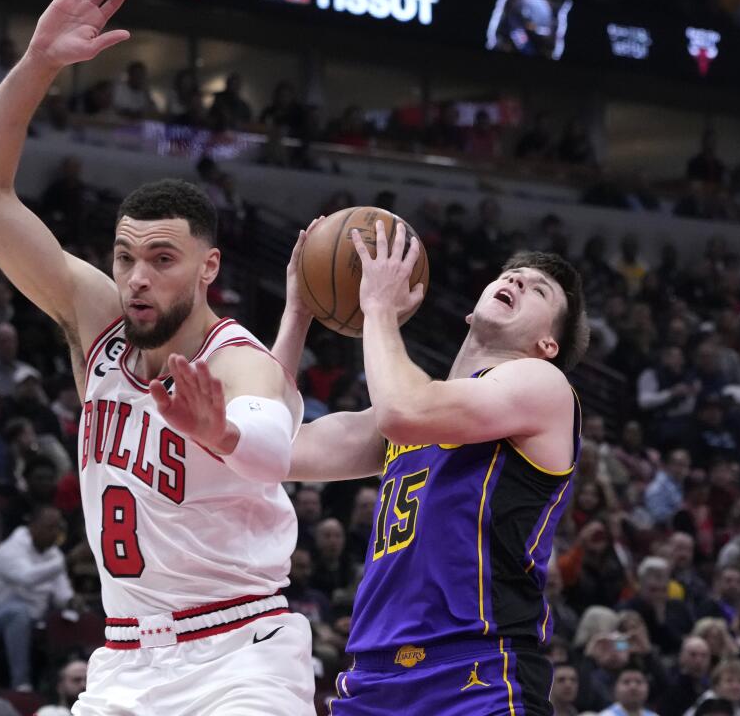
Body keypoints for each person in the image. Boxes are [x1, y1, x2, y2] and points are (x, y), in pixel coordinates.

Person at [0, 0, 313, 714]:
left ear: (208, 268)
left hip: (241, 655)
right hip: (127, 662)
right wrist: (38, 63)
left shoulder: (236, 360)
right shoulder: (98, 320)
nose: (137, 276)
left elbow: (273, 442)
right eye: (125, 257)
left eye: (162, 259)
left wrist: (224, 434)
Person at [220, 223, 585, 713]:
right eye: (512, 276)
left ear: (548, 345)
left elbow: (404, 410)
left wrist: (377, 307)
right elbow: (269, 450)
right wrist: (300, 311)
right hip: (374, 676)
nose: (518, 282)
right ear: (470, 310)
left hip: (477, 673)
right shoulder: (408, 410)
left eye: (537, 289)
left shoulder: (544, 386)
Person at [0, 505, 71, 691]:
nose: (55, 533)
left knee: (69, 617)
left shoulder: (54, 554)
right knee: (19, 612)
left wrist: (72, 602)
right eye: (49, 527)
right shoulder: (9, 550)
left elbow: (62, 595)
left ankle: (61, 685)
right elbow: (27, 578)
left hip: (37, 618)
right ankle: (21, 684)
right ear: (33, 526)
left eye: (58, 527)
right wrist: (68, 561)